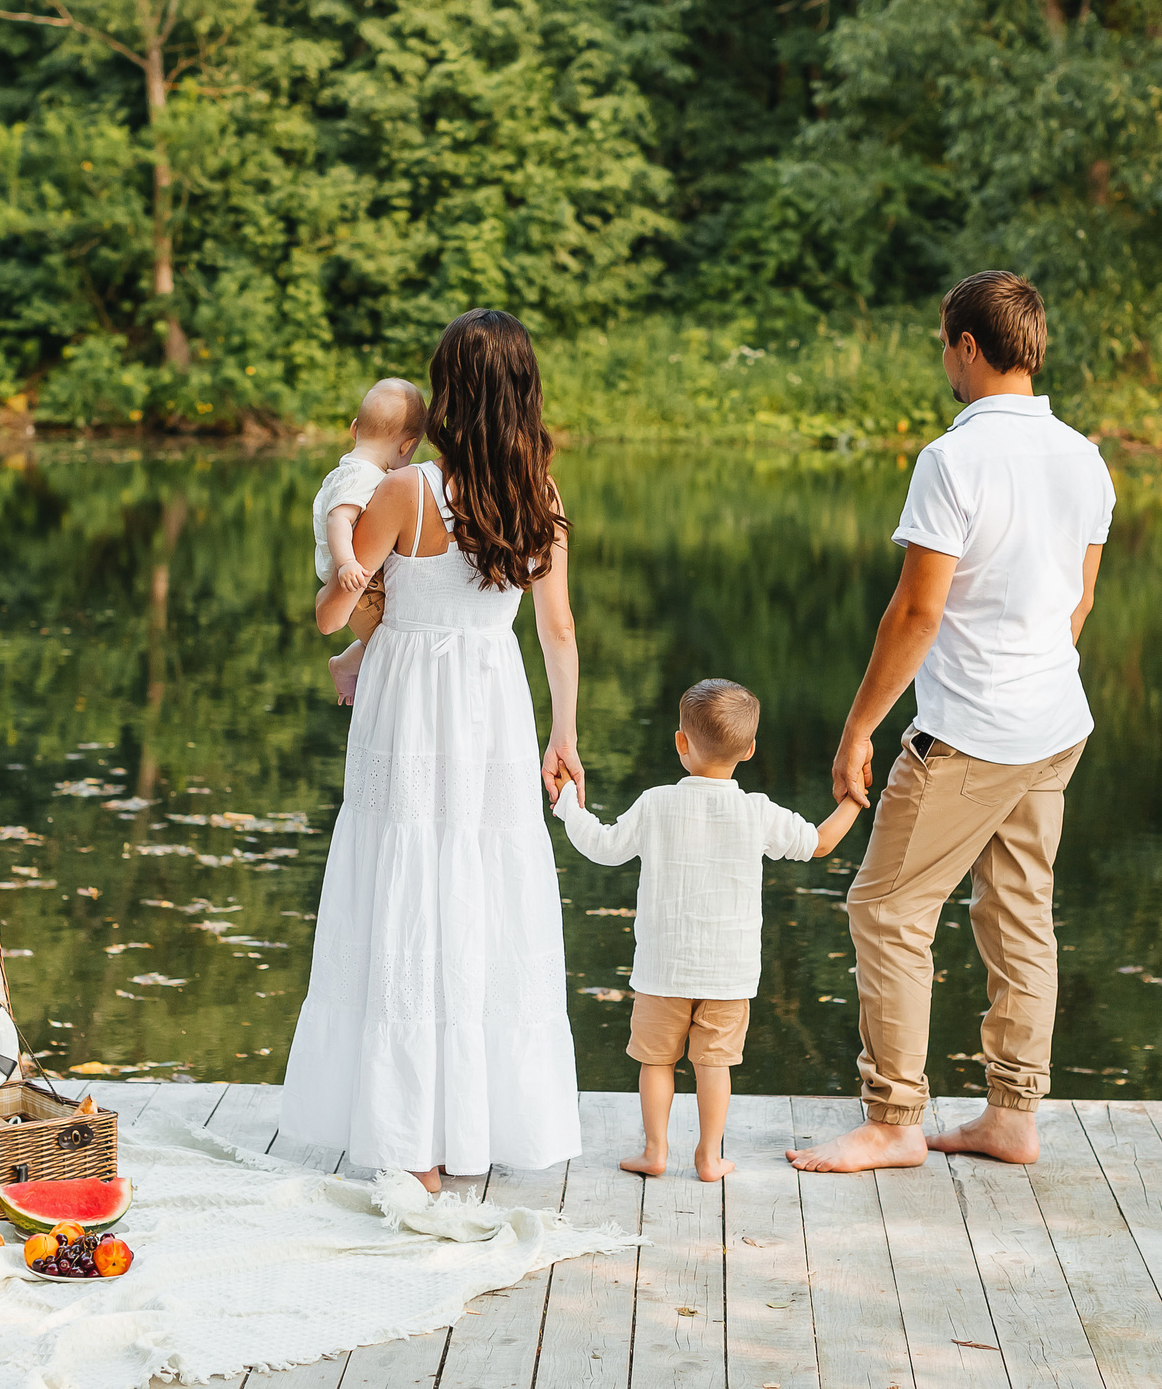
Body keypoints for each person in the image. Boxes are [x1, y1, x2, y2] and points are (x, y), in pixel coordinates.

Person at [790, 270, 1113, 1174]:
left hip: (973, 730)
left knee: (887, 907)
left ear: (968, 346)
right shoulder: (1084, 456)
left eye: (946, 344)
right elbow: (1080, 601)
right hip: (1055, 723)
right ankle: (1012, 1112)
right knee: (1020, 912)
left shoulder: (953, 459)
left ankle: (893, 1119)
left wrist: (858, 728)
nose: (946, 360)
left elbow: (915, 614)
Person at [280, 309, 585, 1190]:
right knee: (480, 889)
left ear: (446, 395)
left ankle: (410, 1138)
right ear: (523, 393)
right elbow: (557, 629)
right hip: (493, 712)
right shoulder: (542, 496)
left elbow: (334, 612)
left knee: (407, 888)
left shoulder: (408, 493)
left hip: (411, 711)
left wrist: (347, 595)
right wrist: (562, 733)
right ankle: (468, 1127)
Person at [551, 678, 862, 1181]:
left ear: (680, 742)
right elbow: (820, 844)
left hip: (661, 971)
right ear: (751, 750)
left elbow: (603, 848)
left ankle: (655, 1153)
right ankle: (709, 1157)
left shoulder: (656, 803)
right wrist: (853, 800)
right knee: (713, 1067)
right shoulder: (756, 811)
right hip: (729, 975)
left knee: (656, 1063)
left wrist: (568, 802)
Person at [313, 378, 427, 704]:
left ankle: (346, 666)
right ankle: (345, 667)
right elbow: (339, 519)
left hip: (358, 578)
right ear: (406, 446)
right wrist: (348, 562)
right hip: (356, 582)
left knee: (386, 637)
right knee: (391, 637)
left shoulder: (356, 470)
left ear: (353, 428)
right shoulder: (362, 475)